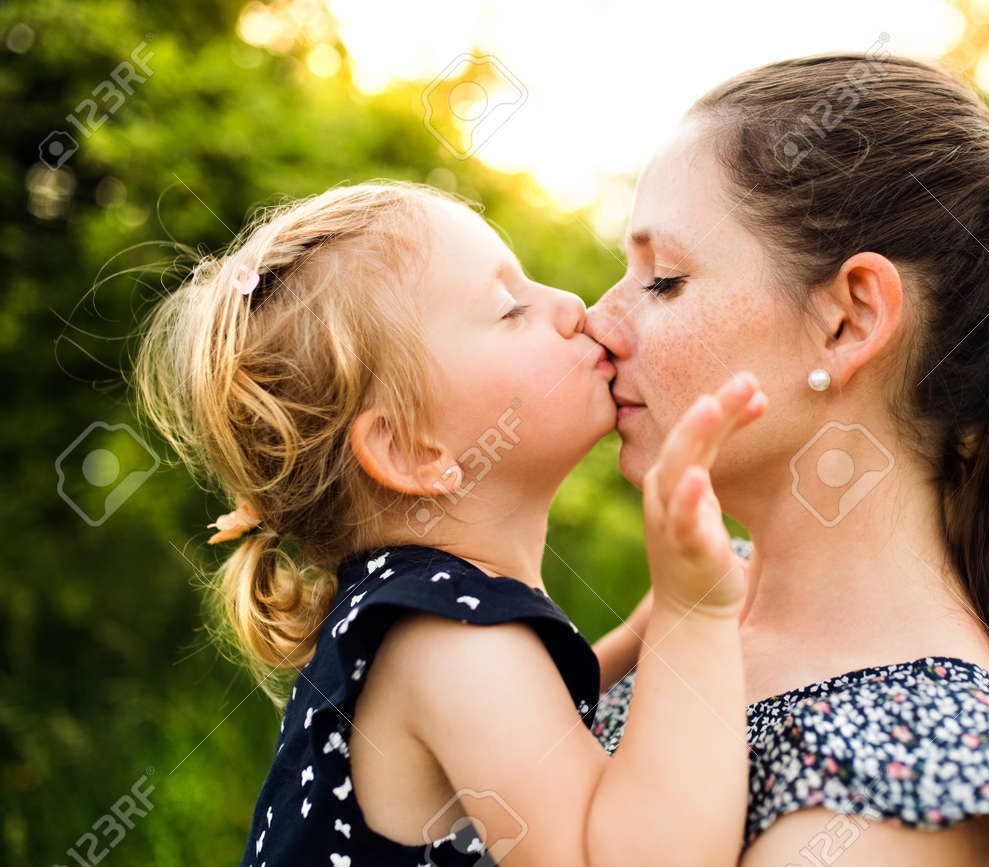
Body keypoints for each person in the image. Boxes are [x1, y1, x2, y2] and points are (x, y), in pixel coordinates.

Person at [586, 53, 989, 866]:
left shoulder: (923, 776)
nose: (598, 321)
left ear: (849, 320)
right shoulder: (710, 594)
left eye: (664, 279)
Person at [134, 180, 767, 865]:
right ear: (411, 450)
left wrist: (642, 637)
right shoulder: (448, 640)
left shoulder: (427, 615)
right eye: (510, 308)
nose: (570, 305)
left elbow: (545, 722)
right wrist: (693, 614)